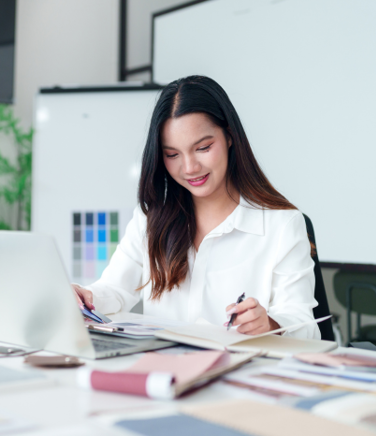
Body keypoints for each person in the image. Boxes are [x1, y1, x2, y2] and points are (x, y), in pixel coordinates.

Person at [73, 75, 319, 339]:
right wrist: (86, 296)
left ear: (229, 137)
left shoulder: (282, 225)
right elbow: (115, 290)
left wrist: (270, 324)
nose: (189, 168)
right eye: (172, 154)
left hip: (238, 373)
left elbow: (305, 328)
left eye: (203, 147)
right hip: (166, 372)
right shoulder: (150, 219)